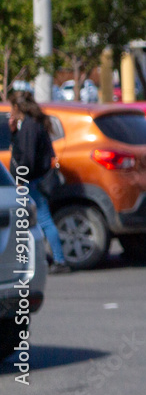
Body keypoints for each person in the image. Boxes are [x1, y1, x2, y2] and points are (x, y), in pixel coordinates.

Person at [8, 91, 70, 274]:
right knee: (34, 221)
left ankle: (59, 260)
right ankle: (48, 257)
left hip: (33, 182)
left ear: (18, 107)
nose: (11, 110)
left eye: (12, 107)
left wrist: (21, 180)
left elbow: (27, 157)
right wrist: (13, 133)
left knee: (43, 219)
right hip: (35, 179)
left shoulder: (30, 126)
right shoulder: (31, 125)